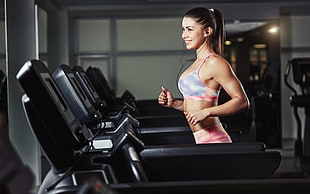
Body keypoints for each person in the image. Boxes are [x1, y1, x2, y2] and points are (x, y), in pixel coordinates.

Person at [158, 7, 250, 144]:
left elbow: (242, 102)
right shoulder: (197, 63)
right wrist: (175, 104)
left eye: (189, 29)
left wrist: (207, 112)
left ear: (207, 31)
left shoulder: (215, 62)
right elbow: (197, 106)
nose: (184, 35)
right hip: (201, 139)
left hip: (215, 140)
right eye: (183, 29)